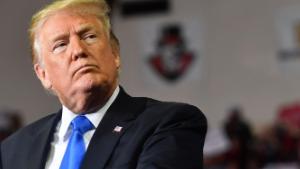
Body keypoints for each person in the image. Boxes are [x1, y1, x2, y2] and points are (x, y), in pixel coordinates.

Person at [0, 0, 207, 169]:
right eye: (61, 44)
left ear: (115, 54)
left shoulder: (169, 124)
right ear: (43, 74)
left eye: (89, 37)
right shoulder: (13, 150)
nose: (78, 51)